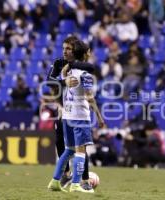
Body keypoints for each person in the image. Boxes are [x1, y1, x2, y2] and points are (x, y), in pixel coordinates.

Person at [47, 40, 106, 193]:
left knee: (68, 150)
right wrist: (99, 116)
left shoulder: (66, 72)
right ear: (85, 54)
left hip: (66, 116)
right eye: (89, 52)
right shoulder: (85, 75)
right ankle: (76, 184)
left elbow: (58, 83)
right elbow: (90, 97)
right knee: (81, 151)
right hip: (80, 116)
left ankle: (55, 181)